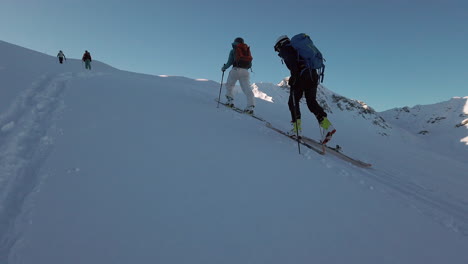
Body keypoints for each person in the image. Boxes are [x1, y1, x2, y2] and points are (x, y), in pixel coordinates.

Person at [274, 35, 336, 144]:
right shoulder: (297, 48)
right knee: (311, 102)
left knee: (293, 102)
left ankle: (296, 130)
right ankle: (328, 126)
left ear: (280, 44)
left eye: (277, 48)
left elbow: (294, 66)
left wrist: (293, 78)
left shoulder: (286, 49)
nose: (278, 51)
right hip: (313, 75)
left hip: (301, 76)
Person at [221, 37, 255, 114]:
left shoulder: (233, 50)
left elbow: (229, 62)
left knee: (230, 85)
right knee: (247, 89)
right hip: (245, 72)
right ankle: (250, 107)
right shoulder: (246, 51)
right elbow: (250, 65)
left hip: (235, 70)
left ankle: (230, 101)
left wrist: (224, 68)